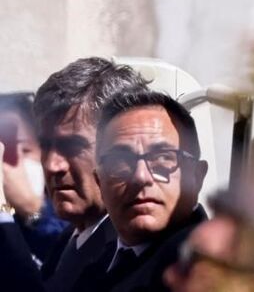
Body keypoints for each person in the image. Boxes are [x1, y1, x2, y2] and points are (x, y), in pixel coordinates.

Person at [0, 58, 150, 292]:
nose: (52, 165)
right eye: (45, 146)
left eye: (71, 146)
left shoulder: (129, 250)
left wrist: (6, 212)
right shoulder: (77, 232)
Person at [73, 90, 209, 291]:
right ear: (99, 182)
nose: (140, 177)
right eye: (120, 162)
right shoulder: (92, 267)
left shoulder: (213, 274)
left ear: (197, 176)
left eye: (163, 158)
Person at [0, 93, 67, 260]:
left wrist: (33, 212)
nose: (8, 169)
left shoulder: (66, 203)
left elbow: (69, 256)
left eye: (24, 150)